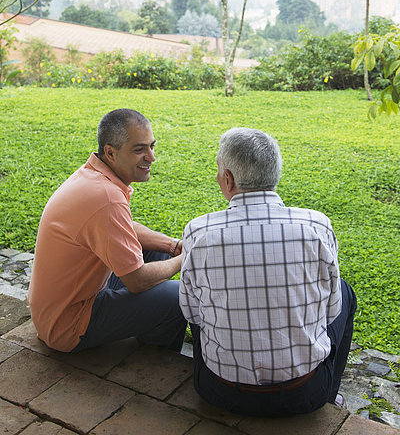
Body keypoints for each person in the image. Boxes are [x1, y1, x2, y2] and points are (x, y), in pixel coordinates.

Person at [179, 127, 357, 417]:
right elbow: (330, 311)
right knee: (345, 292)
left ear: (228, 179)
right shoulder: (316, 225)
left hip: (219, 391)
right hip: (306, 393)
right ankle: (331, 394)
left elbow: (192, 314)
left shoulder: (199, 231)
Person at [28, 108, 186, 354]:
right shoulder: (106, 197)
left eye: (152, 146)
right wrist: (186, 258)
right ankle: (159, 358)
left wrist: (173, 246)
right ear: (110, 152)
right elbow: (137, 280)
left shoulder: (92, 174)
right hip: (67, 324)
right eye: (139, 149)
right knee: (177, 296)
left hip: (59, 306)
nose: (151, 157)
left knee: (159, 253)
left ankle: (144, 326)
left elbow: (122, 227)